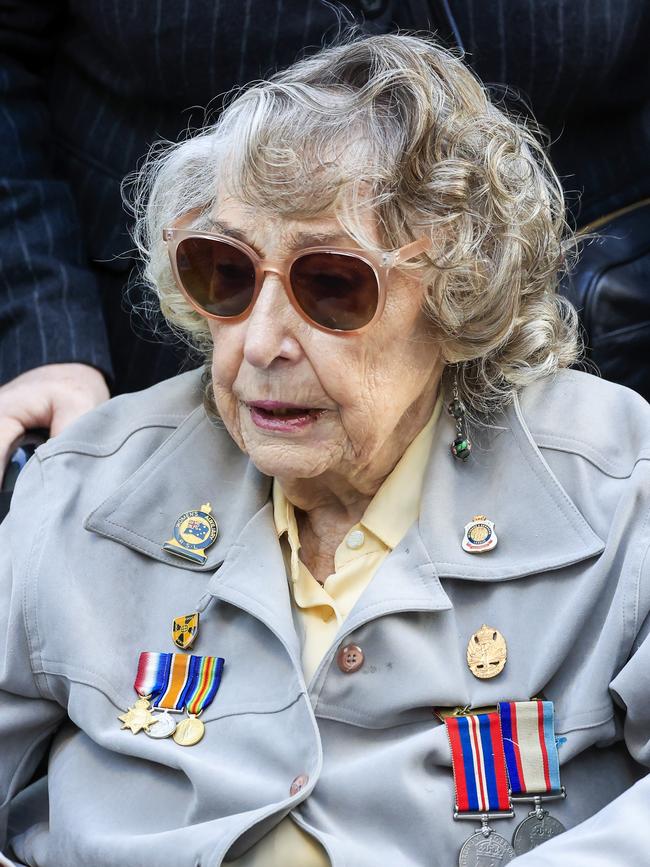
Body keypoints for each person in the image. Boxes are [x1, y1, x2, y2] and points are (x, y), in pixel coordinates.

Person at [1, 33, 649, 867]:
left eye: (330, 284)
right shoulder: (86, 488)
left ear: (459, 295)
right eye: (225, 273)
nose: (262, 341)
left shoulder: (614, 490)